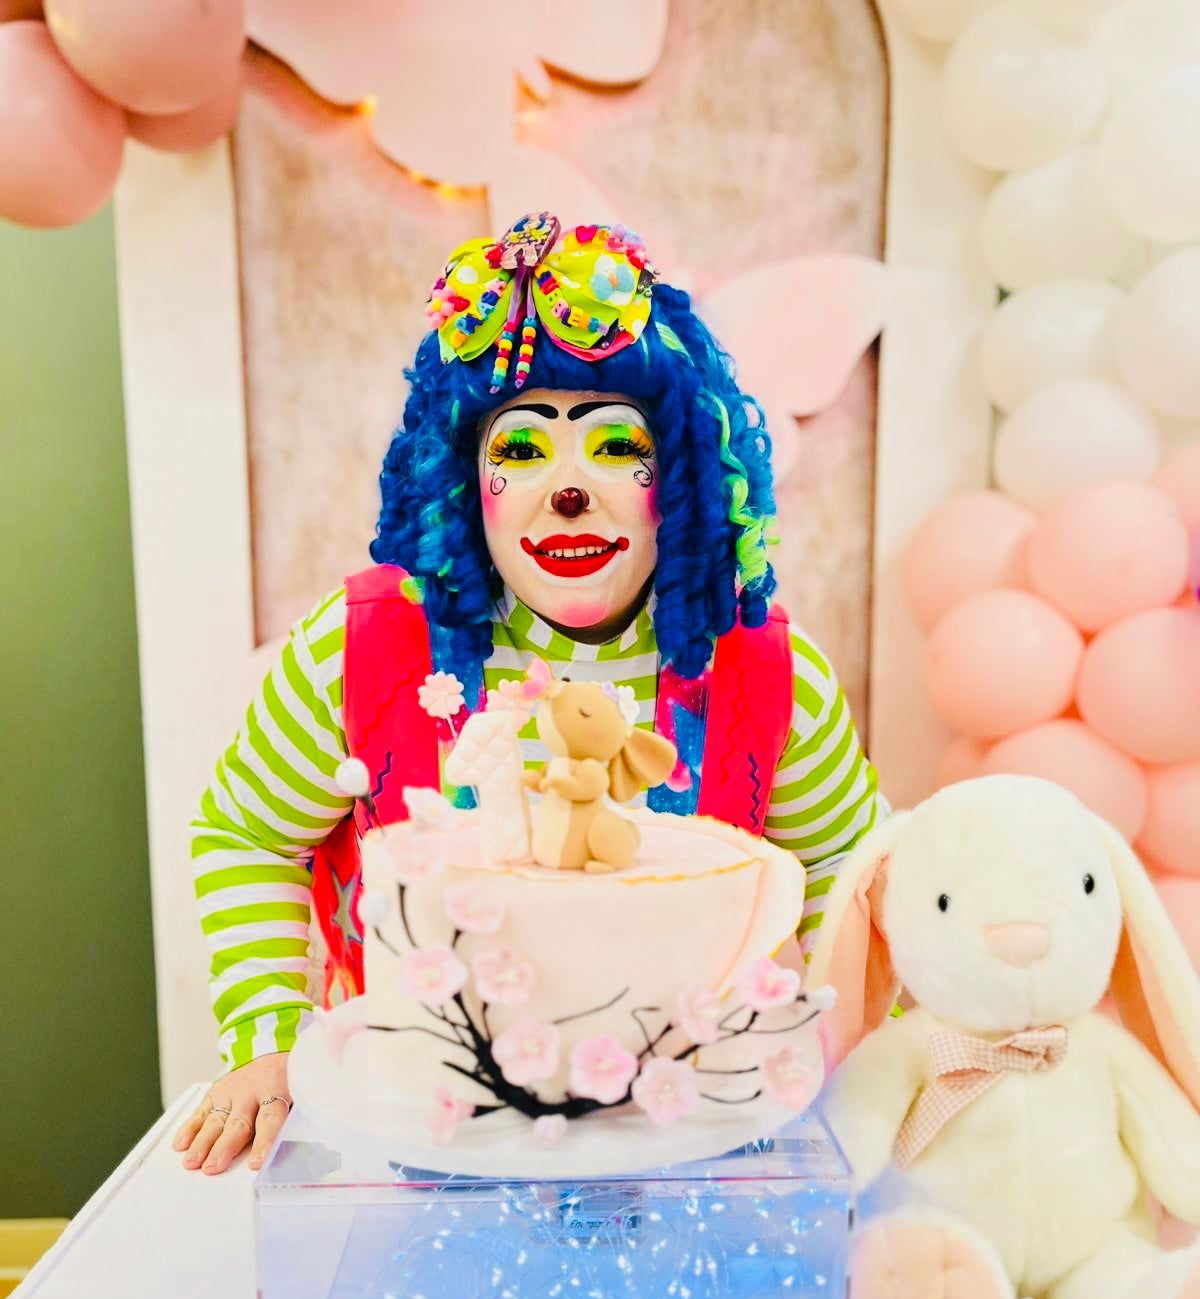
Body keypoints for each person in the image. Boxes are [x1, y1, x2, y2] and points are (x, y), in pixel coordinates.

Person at [175, 214, 884, 1176]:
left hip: (695, 1154)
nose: (568, 490)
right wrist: (268, 1039)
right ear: (465, 478)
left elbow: (847, 876)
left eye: (613, 445)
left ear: (676, 474)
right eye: (521, 450)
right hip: (415, 1156)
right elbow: (246, 831)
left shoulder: (761, 669)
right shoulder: (365, 646)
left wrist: (820, 1068)